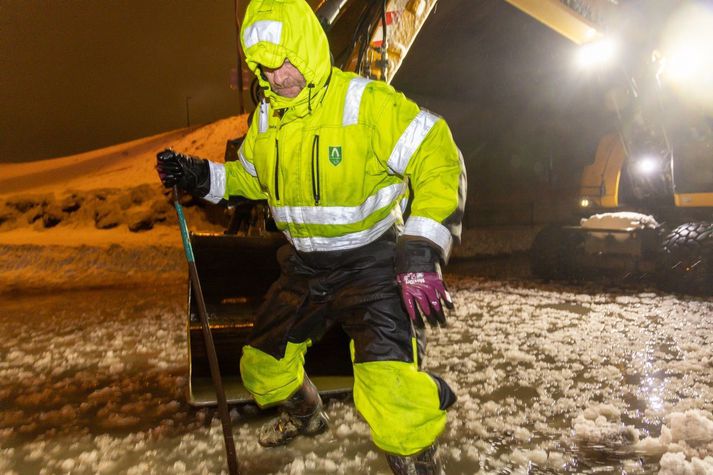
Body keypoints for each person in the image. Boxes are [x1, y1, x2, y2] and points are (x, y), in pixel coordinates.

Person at [156, 0, 466, 472]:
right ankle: (307, 414)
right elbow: (252, 180)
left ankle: (420, 441)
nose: (276, 77)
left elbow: (438, 155)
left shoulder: (366, 103)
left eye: (284, 61)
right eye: (264, 66)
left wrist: (422, 243)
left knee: (390, 396)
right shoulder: (267, 119)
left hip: (372, 263)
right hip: (304, 267)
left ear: (306, 49)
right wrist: (201, 177)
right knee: (261, 369)